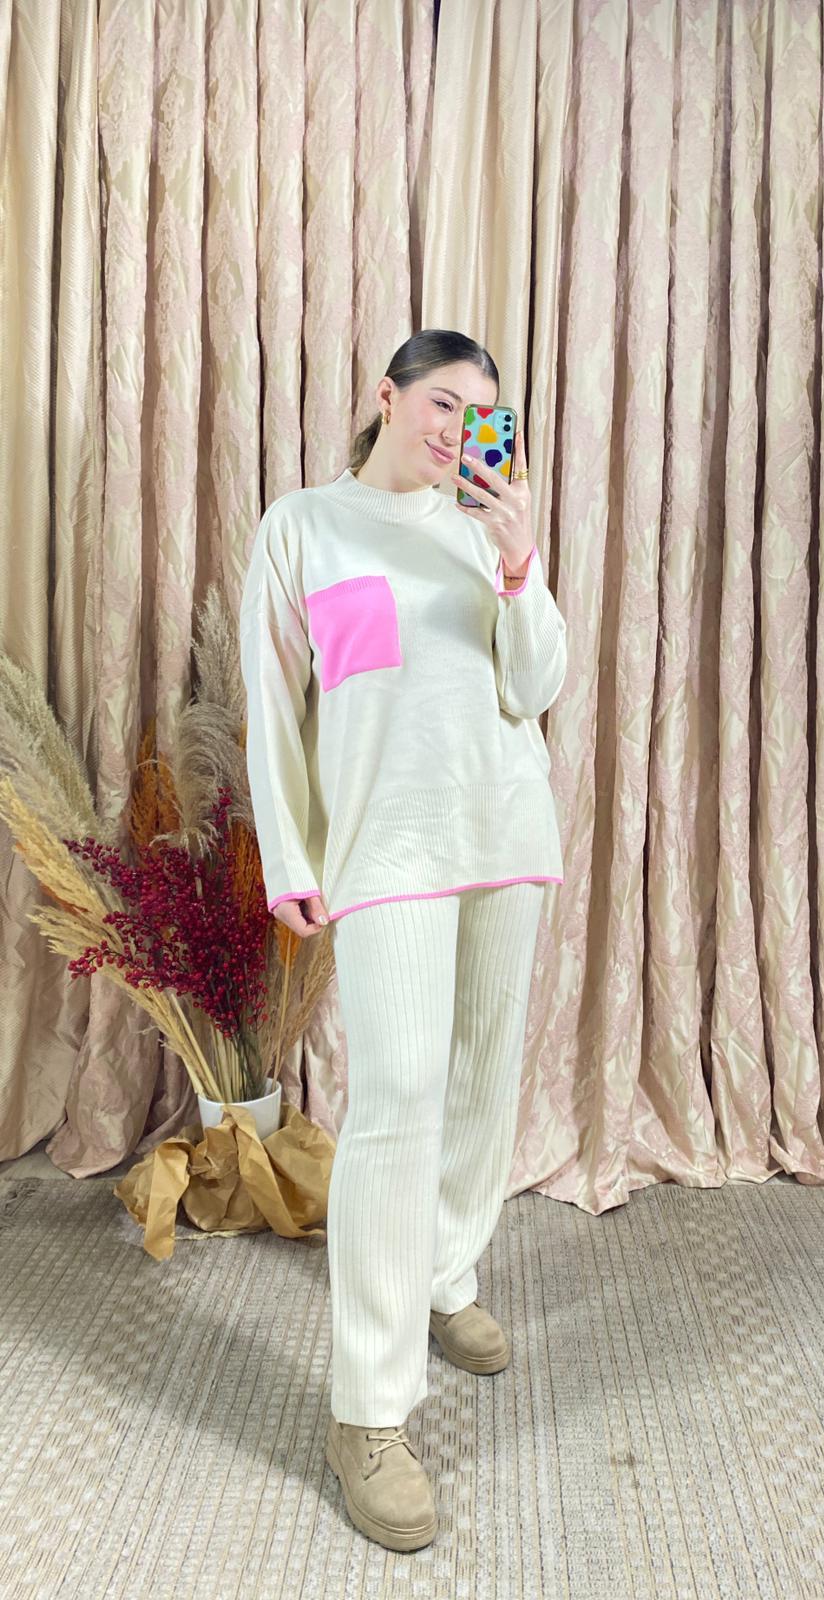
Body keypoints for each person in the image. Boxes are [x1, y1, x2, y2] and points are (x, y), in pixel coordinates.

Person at [239, 328, 567, 1551]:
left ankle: (445, 1275)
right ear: (386, 396)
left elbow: (535, 686)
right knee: (395, 1102)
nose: (457, 431)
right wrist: (290, 857)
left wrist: (519, 561)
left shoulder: (483, 526)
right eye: (440, 404)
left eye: (480, 414)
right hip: (386, 854)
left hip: (503, 832)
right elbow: (274, 704)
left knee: (482, 1082)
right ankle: (367, 1412)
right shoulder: (304, 528)